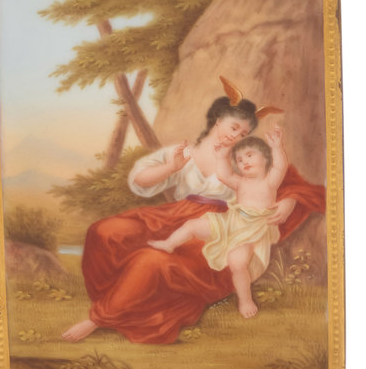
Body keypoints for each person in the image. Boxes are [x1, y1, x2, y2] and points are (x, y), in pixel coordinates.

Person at [62, 85, 325, 345]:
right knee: (106, 231)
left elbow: (287, 182)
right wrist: (170, 167)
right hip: (175, 217)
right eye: (234, 127)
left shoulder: (245, 160)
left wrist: (289, 201)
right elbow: (139, 180)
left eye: (243, 133)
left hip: (222, 227)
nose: (237, 135)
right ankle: (115, 296)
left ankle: (98, 319)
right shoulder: (186, 152)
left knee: (152, 261)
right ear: (218, 120)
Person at [147, 129, 287, 319]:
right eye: (239, 159)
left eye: (249, 155)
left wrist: (277, 147)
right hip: (231, 222)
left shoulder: (269, 181)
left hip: (252, 230)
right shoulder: (240, 181)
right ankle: (169, 243)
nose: (244, 162)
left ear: (265, 158)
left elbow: (280, 167)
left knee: (237, 262)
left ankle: (245, 300)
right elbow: (223, 175)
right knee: (192, 225)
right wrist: (221, 157)